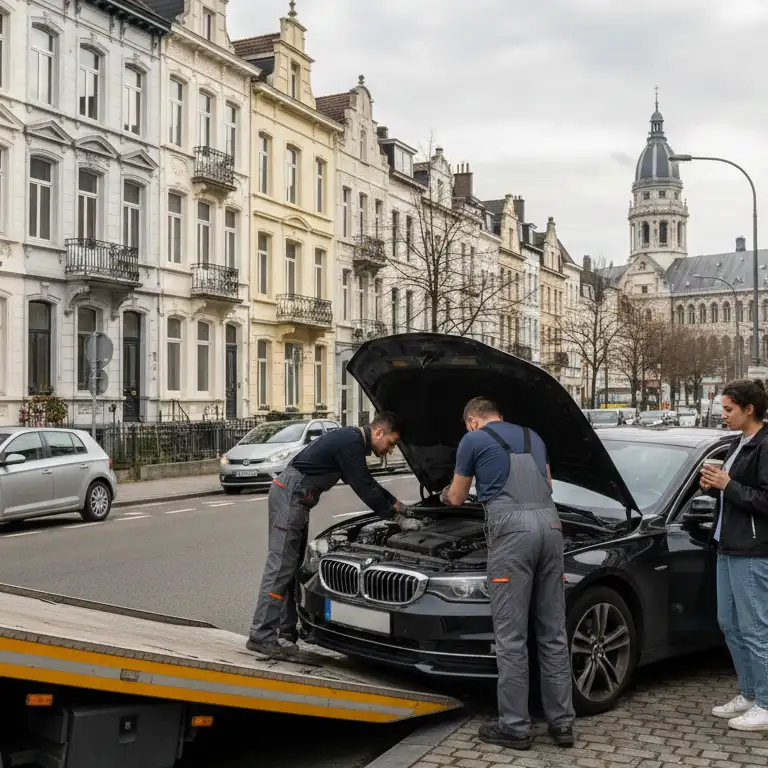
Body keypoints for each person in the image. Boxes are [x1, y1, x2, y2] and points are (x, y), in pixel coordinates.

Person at [442, 397, 575, 750]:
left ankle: (515, 727)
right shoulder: (533, 436)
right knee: (553, 631)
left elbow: (456, 497)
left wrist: (443, 495)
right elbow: (548, 484)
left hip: (512, 534)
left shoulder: (473, 439)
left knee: (511, 636)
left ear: (473, 420)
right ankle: (562, 724)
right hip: (551, 526)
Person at [247, 411, 415, 660]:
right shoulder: (351, 443)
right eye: (390, 443)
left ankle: (284, 633)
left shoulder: (350, 441)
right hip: (290, 497)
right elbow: (364, 486)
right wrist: (397, 516)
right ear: (379, 432)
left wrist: (399, 506)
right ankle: (261, 636)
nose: (389, 450)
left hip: (294, 498)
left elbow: (366, 482)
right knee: (280, 567)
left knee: (290, 568)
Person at [700, 378, 768, 731]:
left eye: (728, 409)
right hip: (727, 543)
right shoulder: (738, 444)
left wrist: (729, 485)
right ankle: (750, 692)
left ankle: (767, 702)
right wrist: (715, 489)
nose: (723, 415)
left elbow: (764, 500)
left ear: (749, 409)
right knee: (730, 624)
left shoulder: (765, 445)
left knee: (755, 627)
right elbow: (736, 495)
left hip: (753, 549)